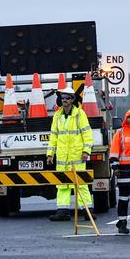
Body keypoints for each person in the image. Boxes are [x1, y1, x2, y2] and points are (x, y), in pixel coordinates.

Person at [46, 87, 94, 221]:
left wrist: (86, 151)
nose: (64, 101)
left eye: (67, 98)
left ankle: (87, 210)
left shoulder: (80, 114)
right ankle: (63, 211)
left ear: (72, 99)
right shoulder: (57, 115)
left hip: (76, 156)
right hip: (62, 157)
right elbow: (53, 136)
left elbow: (87, 134)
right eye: (63, 98)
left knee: (81, 184)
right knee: (62, 185)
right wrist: (50, 154)